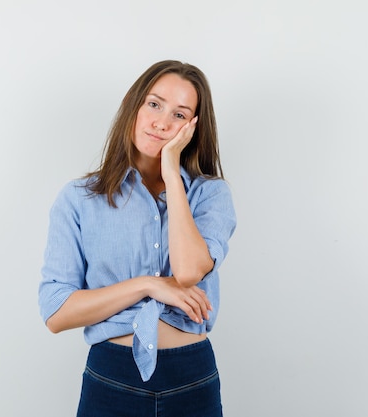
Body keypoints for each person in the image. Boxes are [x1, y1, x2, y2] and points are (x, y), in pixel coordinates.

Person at [38, 60, 236, 417]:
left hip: (191, 378)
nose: (161, 122)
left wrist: (172, 174)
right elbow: (56, 311)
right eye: (154, 104)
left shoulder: (210, 195)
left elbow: (189, 271)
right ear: (134, 104)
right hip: (111, 379)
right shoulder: (79, 199)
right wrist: (148, 286)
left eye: (179, 114)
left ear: (193, 127)